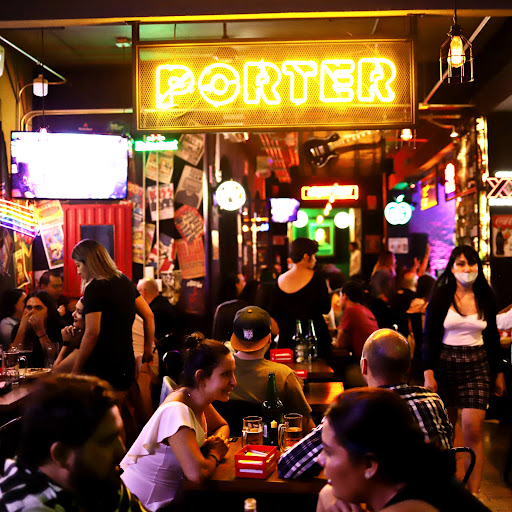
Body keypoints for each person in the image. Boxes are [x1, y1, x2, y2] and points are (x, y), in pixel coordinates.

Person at [278, 328, 453, 479]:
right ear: (408, 367)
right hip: (441, 499)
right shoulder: (433, 400)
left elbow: (289, 466)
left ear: (364, 365)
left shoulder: (355, 410)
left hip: (386, 502)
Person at [316, 388, 491, 512]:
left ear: (370, 465)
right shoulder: (422, 479)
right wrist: (328, 492)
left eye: (328, 452)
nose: (319, 459)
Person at [423, 245, 506, 494]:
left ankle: (474, 493)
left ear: (478, 267)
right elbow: (429, 336)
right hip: (445, 364)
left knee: (473, 429)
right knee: (447, 431)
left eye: (471, 263)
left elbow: (492, 337)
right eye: (460, 263)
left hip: (477, 365)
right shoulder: (441, 296)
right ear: (452, 267)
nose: (466, 269)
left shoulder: (486, 296)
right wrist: (428, 371)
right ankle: (452, 487)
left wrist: (499, 373)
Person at [0, 374, 146, 512]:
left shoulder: (94, 478)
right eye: (106, 441)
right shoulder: (29, 506)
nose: (121, 451)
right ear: (61, 454)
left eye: (117, 435)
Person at [120, 339, 234, 511]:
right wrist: (215, 453)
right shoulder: (177, 410)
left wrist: (215, 444)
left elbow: (222, 426)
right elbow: (197, 475)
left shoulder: (194, 397)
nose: (234, 382)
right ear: (201, 377)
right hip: (141, 505)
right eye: (226, 374)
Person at [70, 239, 155, 391]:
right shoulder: (124, 281)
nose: (78, 272)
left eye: (78, 265)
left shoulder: (95, 288)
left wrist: (76, 371)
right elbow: (149, 315)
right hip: (125, 362)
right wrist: (148, 349)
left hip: (102, 365)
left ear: (89, 263)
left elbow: (92, 332)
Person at [227, 305, 315, 433]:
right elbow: (306, 426)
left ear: (234, 338)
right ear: (269, 338)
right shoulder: (283, 374)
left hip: (226, 442)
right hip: (270, 444)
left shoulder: (218, 371)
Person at [268, 237, 331, 358]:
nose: (315, 260)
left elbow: (272, 314)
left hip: (287, 342)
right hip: (315, 339)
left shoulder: (280, 280)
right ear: (306, 256)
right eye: (314, 256)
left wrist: (282, 332)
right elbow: (326, 308)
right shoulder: (317, 279)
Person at [332, 280, 379, 388]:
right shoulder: (365, 310)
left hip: (366, 368)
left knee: (334, 366)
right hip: (377, 365)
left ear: (345, 296)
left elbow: (340, 343)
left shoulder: (350, 310)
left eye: (340, 296)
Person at [10, 291, 62, 368]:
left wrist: (40, 331)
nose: (32, 311)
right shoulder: (17, 328)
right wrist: (22, 328)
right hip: (25, 372)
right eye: (29, 308)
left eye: (38, 308)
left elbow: (54, 357)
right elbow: (11, 359)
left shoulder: (59, 326)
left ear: (48, 311)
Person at [53, 297, 86, 372]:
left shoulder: (87, 345)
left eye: (79, 312)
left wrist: (66, 344)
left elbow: (56, 373)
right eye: (75, 310)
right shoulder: (79, 337)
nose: (73, 314)